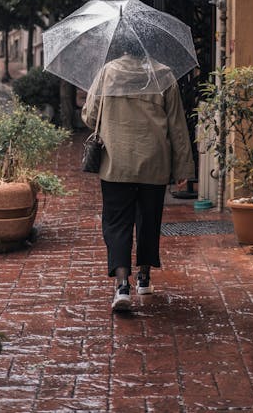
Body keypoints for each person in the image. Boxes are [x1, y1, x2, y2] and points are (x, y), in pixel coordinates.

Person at [81, 51, 195, 312]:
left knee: (117, 222)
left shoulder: (107, 73)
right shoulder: (164, 74)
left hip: (116, 163)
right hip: (154, 162)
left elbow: (89, 117)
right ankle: (144, 278)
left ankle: (122, 286)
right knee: (149, 219)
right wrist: (183, 167)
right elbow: (177, 126)